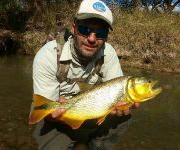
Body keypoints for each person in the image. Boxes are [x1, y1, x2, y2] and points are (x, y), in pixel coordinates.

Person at [31, 0, 139, 149]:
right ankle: (77, 140)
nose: (92, 39)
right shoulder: (48, 55)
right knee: (46, 116)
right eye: (85, 29)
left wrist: (122, 105)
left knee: (124, 117)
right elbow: (48, 107)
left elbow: (116, 92)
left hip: (93, 106)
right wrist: (53, 114)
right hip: (60, 110)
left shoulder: (109, 53)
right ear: (74, 28)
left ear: (106, 36)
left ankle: (90, 144)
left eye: (100, 33)